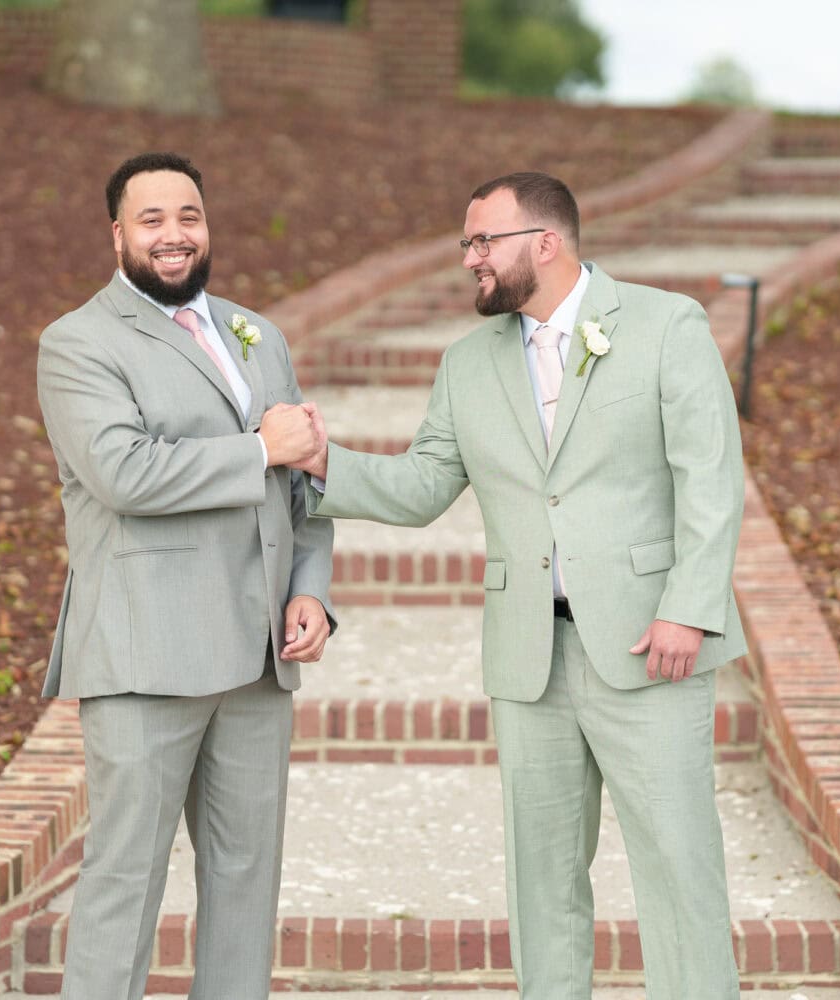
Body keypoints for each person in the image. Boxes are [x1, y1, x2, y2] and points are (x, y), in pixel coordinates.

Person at [296, 171, 746, 999]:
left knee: (680, 868)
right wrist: (328, 464)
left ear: (546, 243)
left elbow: (711, 482)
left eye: (482, 242)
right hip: (528, 658)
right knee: (541, 882)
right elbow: (427, 485)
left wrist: (689, 608)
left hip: (652, 646)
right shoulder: (469, 363)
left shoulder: (664, 325)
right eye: (466, 244)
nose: (469, 259)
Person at [36, 151, 335, 1000]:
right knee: (124, 883)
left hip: (258, 658)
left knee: (247, 883)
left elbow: (304, 481)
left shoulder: (258, 334)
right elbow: (124, 473)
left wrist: (311, 585)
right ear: (118, 234)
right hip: (147, 656)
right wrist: (258, 449)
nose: (175, 235)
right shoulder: (78, 343)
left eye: (190, 216)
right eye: (154, 219)